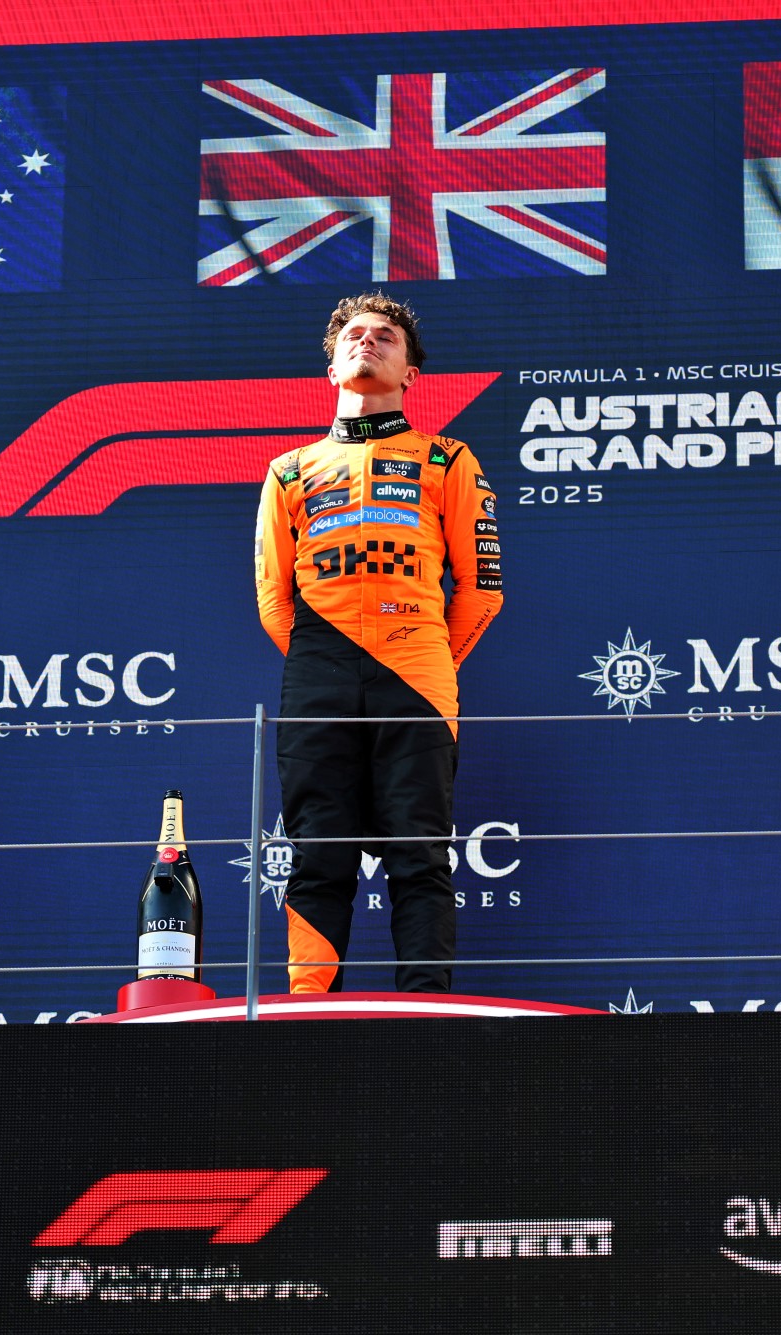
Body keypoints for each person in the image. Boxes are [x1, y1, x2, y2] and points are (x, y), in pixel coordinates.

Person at [254, 294, 503, 993]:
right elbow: (275, 598)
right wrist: (329, 658)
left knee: (419, 853)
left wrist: (418, 656)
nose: (368, 343)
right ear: (331, 365)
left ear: (410, 372)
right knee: (317, 854)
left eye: (385, 336)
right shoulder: (289, 469)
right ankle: (308, 1012)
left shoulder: (448, 457)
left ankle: (424, 1015)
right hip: (318, 671)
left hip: (418, 672)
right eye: (354, 336)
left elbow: (482, 588)